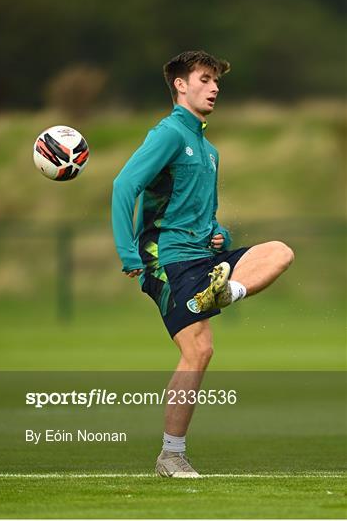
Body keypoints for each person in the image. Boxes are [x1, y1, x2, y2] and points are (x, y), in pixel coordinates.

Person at [112, 50, 294, 478]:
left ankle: (226, 291)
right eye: (206, 79)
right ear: (181, 84)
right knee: (199, 350)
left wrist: (220, 236)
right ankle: (171, 456)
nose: (214, 88)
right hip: (169, 261)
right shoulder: (169, 134)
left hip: (204, 258)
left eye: (217, 82)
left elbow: (207, 217)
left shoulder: (208, 149)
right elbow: (124, 185)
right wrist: (128, 252)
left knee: (280, 251)